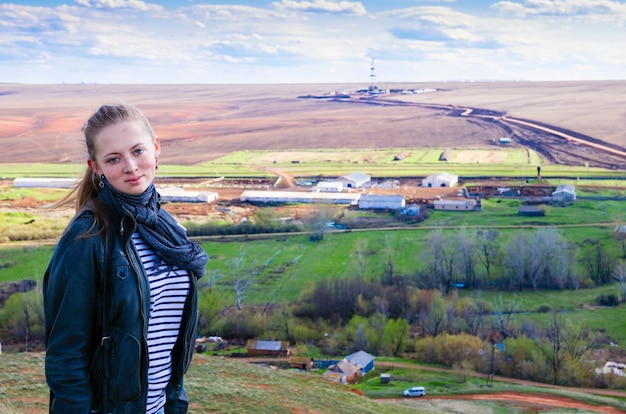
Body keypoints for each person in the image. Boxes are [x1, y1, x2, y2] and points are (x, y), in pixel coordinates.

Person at [43, 104, 208, 414]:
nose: (130, 166)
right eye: (114, 159)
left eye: (137, 150)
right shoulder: (87, 237)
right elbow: (66, 355)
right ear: (96, 167)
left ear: (156, 147)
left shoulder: (168, 229)